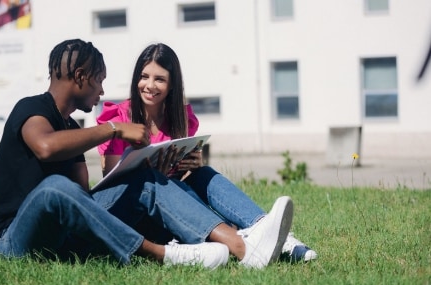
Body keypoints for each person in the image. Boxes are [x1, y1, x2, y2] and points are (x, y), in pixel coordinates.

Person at [0, 39, 293, 270]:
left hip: (63, 238)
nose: (102, 92)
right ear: (80, 76)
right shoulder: (31, 108)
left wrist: (139, 171)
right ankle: (165, 254)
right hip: (14, 239)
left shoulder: (69, 126)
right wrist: (114, 129)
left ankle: (243, 246)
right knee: (55, 187)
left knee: (145, 180)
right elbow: (46, 147)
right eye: (99, 81)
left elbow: (83, 196)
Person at [97, 43, 317, 263]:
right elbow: (112, 178)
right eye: (144, 77)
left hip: (174, 197)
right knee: (166, 184)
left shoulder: (180, 119)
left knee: (202, 174)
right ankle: (246, 241)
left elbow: (181, 180)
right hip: (141, 208)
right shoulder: (118, 118)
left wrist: (191, 163)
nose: (150, 85)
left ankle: (272, 233)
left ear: (172, 84)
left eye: (160, 79)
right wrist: (156, 173)